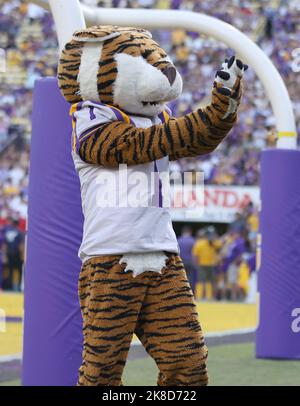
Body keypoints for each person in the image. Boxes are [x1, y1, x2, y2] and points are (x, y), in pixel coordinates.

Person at [193, 227, 221, 300]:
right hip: (202, 264)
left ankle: (209, 297)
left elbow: (219, 246)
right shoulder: (200, 243)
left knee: (210, 281)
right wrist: (196, 264)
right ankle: (199, 296)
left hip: (211, 265)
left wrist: (213, 240)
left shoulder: (214, 243)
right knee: (200, 280)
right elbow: (195, 255)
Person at [3, 217, 24, 291]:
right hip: (16, 254)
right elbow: (21, 245)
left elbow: (5, 245)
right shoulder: (19, 232)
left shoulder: (7, 232)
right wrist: (22, 256)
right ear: (18, 224)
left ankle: (11, 286)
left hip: (9, 254)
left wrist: (5, 255)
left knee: (10, 271)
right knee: (19, 271)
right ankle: (18, 286)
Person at [177, 226, 196, 293]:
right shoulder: (193, 240)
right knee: (190, 278)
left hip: (180, 261)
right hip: (190, 261)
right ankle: (190, 292)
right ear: (190, 232)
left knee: (180, 277)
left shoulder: (178, 240)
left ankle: (181, 292)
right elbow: (195, 253)